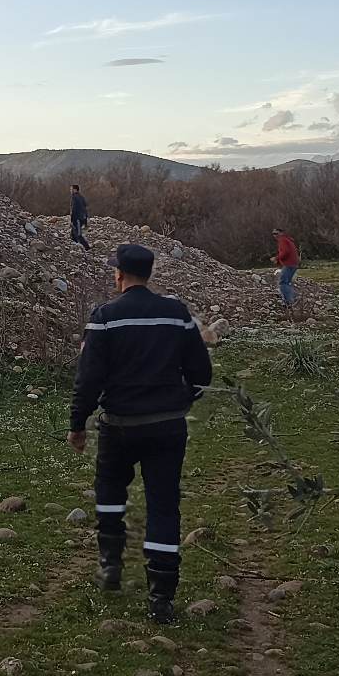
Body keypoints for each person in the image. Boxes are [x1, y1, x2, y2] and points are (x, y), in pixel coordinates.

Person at [68, 244, 213, 624]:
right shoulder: (176, 314)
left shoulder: (104, 318)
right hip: (167, 428)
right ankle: (161, 597)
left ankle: (111, 565)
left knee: (110, 495)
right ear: (149, 274)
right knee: (164, 507)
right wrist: (182, 402)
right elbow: (202, 374)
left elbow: (88, 379)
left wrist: (78, 423)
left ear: (119, 275)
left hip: (118, 427)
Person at [271, 228, 300, 306]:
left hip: (289, 264)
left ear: (281, 233)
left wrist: (276, 258)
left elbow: (285, 252)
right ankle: (294, 297)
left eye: (276, 233)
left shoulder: (282, 240)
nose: (275, 236)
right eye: (273, 234)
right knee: (287, 282)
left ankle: (289, 301)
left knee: (283, 282)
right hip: (293, 263)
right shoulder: (288, 240)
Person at [69, 184, 91, 249]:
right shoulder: (81, 197)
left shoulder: (74, 197)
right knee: (73, 234)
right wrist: (86, 218)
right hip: (82, 218)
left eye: (71, 189)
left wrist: (72, 219)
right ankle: (76, 248)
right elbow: (85, 207)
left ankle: (87, 247)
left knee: (78, 234)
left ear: (75, 189)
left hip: (78, 218)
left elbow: (74, 209)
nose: (70, 190)